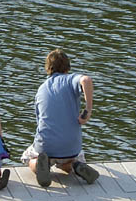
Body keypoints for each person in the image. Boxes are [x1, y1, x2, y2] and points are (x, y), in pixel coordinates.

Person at [21, 49, 99, 187]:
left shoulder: (41, 89)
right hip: (71, 147)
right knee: (69, 159)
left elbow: (40, 121)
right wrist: (88, 111)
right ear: (68, 68)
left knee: (26, 157)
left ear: (48, 68)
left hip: (46, 146)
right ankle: (74, 165)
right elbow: (86, 80)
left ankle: (39, 164)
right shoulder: (71, 80)